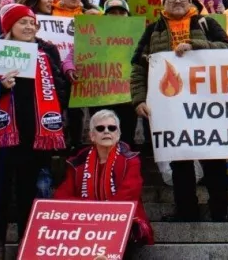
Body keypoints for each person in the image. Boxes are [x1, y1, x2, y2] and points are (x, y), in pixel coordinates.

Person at [0, 3, 68, 260]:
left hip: (35, 137)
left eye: (32, 23)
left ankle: (26, 241)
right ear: (9, 26)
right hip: (1, 136)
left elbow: (59, 90)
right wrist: (0, 87)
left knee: (29, 192)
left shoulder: (45, 53)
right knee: (0, 193)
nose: (28, 27)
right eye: (22, 22)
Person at [130, 0, 228, 221]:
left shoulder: (206, 23)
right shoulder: (153, 30)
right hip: (172, 109)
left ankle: (220, 211)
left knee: (214, 160)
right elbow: (138, 67)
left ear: (190, 0)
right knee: (180, 162)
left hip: (208, 105)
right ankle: (186, 210)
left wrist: (197, 46)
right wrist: (138, 99)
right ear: (163, 3)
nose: (177, 1)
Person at [54, 109, 154, 258]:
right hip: (85, 223)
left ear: (118, 134)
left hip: (121, 221)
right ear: (92, 136)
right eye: (100, 128)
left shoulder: (130, 160)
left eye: (112, 128)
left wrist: (101, 218)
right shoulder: (78, 162)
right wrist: (89, 215)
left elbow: (128, 195)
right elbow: (61, 196)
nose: (106, 131)